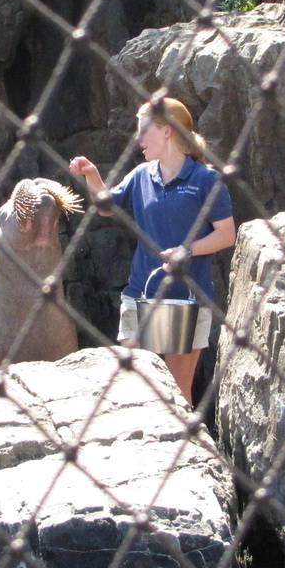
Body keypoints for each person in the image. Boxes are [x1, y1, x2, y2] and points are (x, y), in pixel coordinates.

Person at [68, 98, 236, 404]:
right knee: (132, 383)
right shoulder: (142, 174)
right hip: (139, 294)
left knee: (176, 391)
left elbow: (227, 235)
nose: (139, 139)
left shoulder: (205, 180)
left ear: (167, 130)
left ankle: (188, 448)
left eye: (144, 131)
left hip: (185, 299)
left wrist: (188, 250)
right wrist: (92, 175)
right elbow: (106, 207)